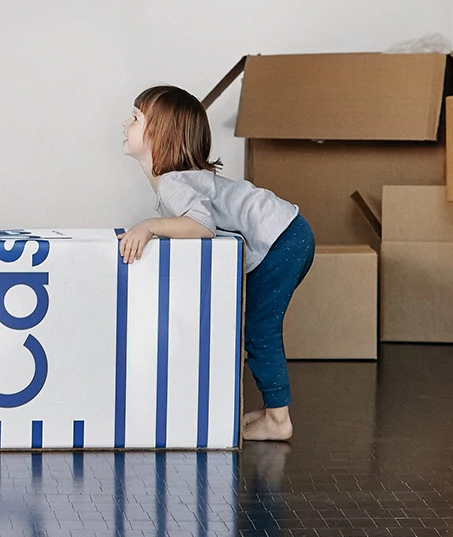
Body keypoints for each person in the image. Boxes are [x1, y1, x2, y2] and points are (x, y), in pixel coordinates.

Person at [117, 85, 313, 441]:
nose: (123, 123)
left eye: (134, 118)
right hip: (287, 232)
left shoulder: (173, 183)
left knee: (260, 329)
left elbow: (202, 227)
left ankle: (279, 421)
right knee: (254, 327)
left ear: (160, 134)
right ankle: (273, 412)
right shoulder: (175, 182)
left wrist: (148, 227)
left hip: (283, 238)